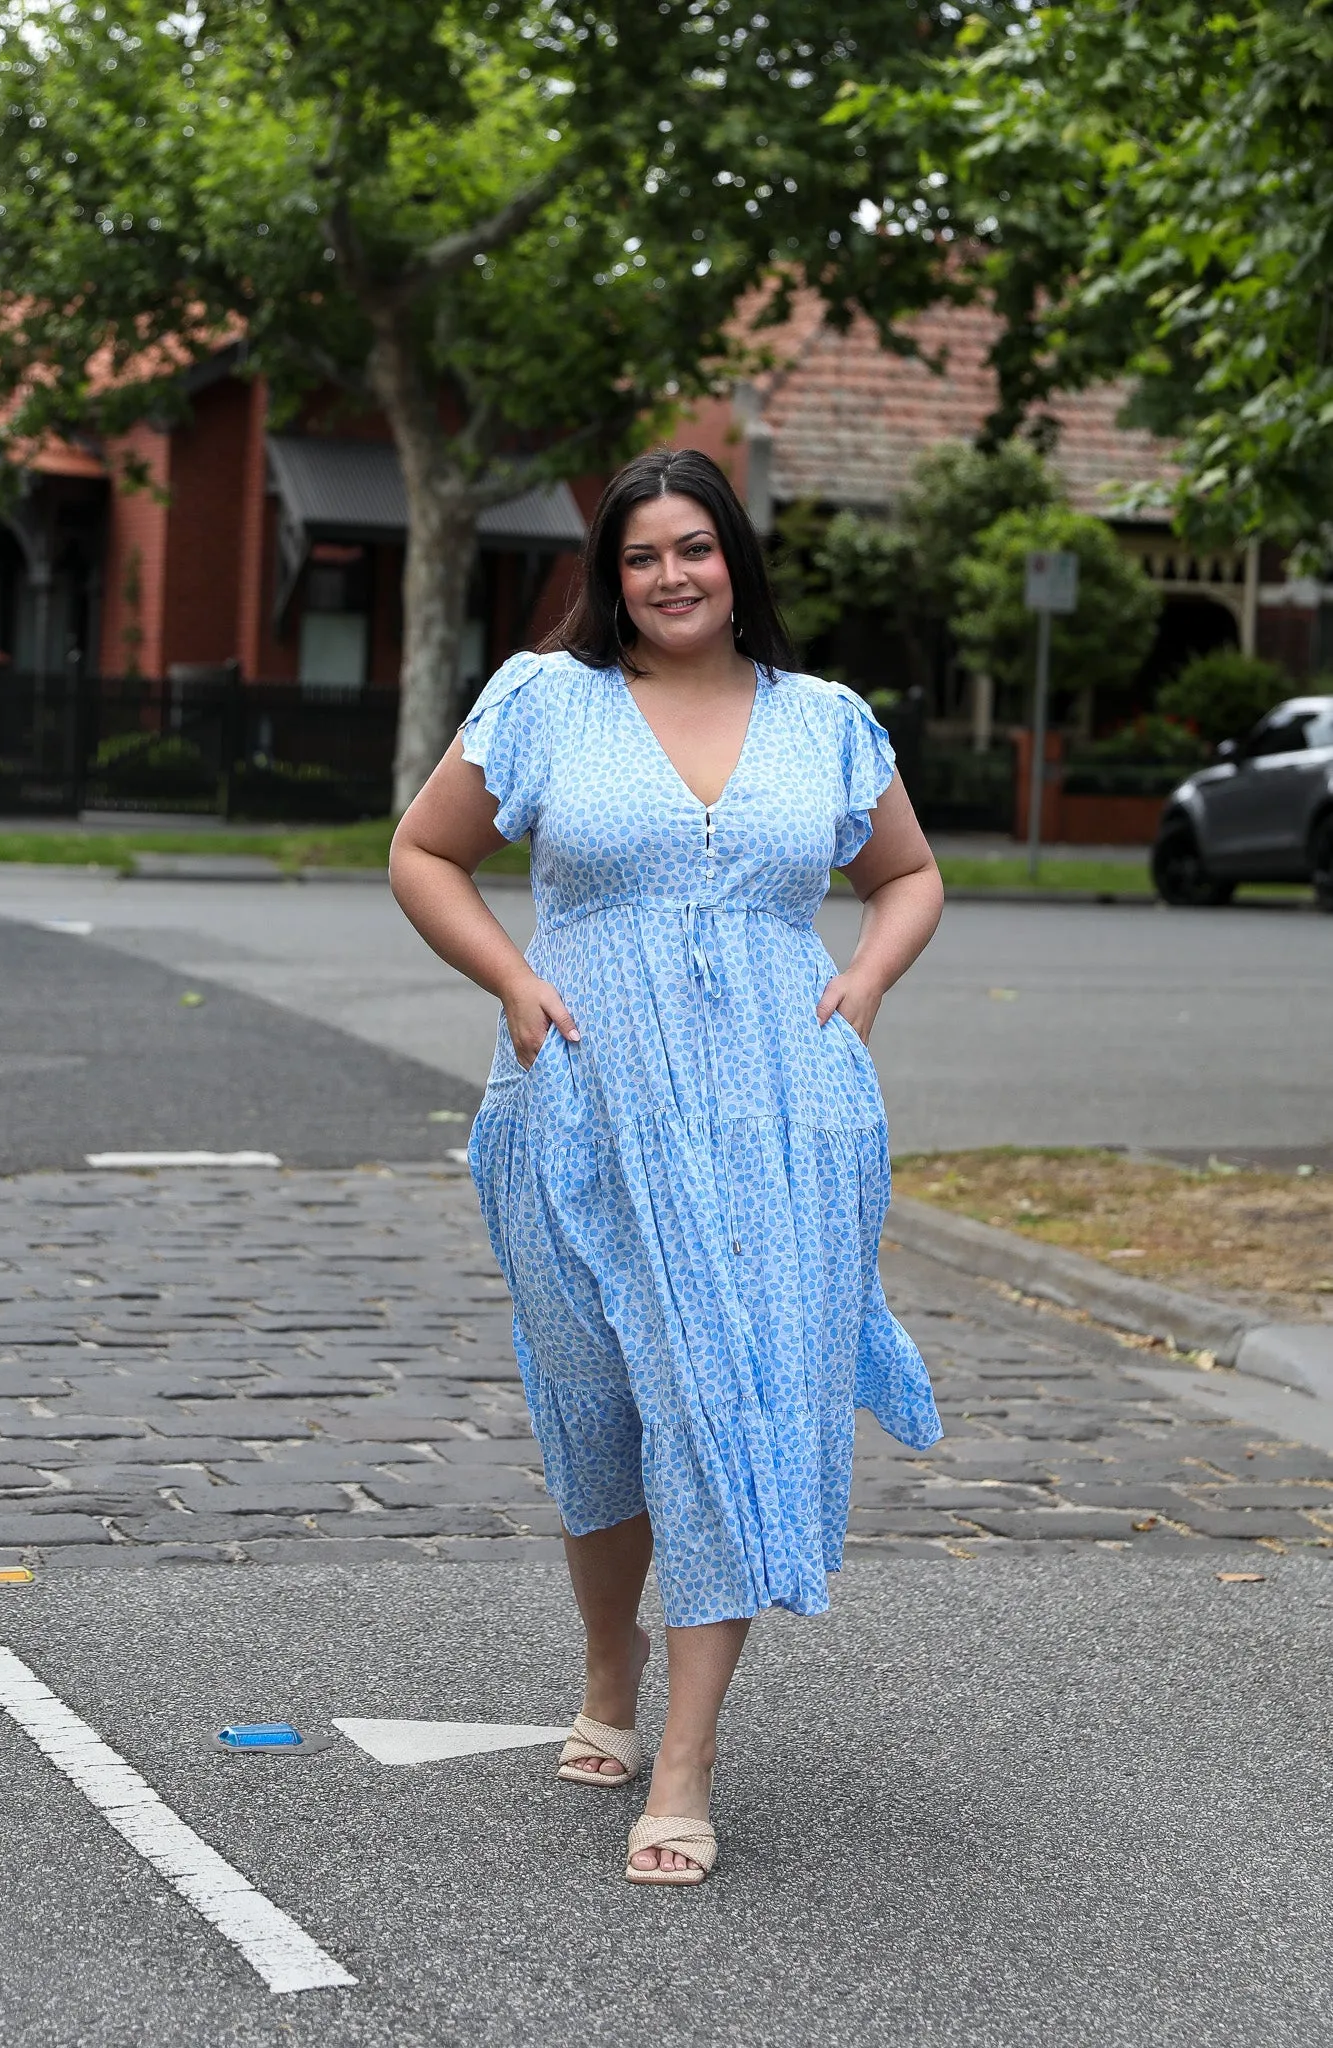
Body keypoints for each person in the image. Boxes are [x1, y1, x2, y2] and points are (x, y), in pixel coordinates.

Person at [389, 447, 944, 1886]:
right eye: (642, 556)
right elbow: (424, 856)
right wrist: (514, 984)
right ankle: (606, 1667)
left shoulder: (822, 719)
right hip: (580, 1098)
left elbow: (909, 875)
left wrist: (866, 984)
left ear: (734, 560)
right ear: (609, 577)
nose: (673, 575)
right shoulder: (543, 701)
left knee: (723, 1404)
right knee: (602, 1410)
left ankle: (685, 1765)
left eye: (695, 548)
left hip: (779, 1114)